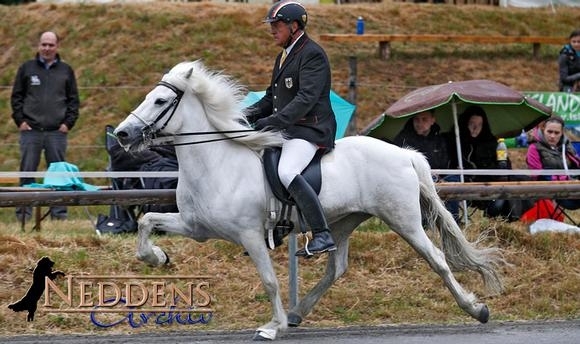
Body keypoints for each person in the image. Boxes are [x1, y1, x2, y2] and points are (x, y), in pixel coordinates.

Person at [245, 1, 336, 257]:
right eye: (271, 26)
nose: (272, 30)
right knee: (258, 161)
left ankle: (322, 234)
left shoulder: (312, 54)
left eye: (277, 25)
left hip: (311, 130)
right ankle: (275, 227)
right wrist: (241, 116)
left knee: (286, 171)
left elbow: (305, 99)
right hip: (290, 129)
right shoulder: (283, 56)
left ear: (294, 26)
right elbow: (270, 98)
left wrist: (272, 123)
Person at [11, 31, 80, 221]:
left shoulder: (66, 70)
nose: (47, 48)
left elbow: (73, 100)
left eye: (51, 45)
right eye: (44, 44)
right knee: (27, 173)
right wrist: (21, 121)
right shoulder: (26, 68)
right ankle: (23, 216)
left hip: (57, 132)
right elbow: (16, 97)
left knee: (58, 176)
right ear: (38, 46)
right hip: (30, 132)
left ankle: (58, 216)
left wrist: (68, 123)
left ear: (57, 46)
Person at [451, 105, 530, 221]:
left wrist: (500, 168)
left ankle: (516, 218)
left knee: (522, 181)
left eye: (479, 125)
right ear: (465, 123)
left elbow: (505, 166)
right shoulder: (456, 141)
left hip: (493, 181)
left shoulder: (491, 142)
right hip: (468, 183)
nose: (475, 128)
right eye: (472, 123)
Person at [393, 110, 460, 222]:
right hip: (414, 181)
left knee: (454, 179)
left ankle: (453, 221)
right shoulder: (403, 139)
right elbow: (398, 167)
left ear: (433, 120)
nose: (420, 123)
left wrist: (441, 177)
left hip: (439, 179)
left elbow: (445, 163)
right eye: (416, 119)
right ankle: (425, 221)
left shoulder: (440, 139)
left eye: (424, 119)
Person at [527, 115, 580, 210]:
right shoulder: (534, 148)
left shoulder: (567, 146)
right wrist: (566, 182)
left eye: (556, 133)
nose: (552, 136)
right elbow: (536, 175)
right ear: (543, 129)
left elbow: (576, 166)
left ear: (562, 132)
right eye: (549, 132)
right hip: (552, 191)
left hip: (573, 188)